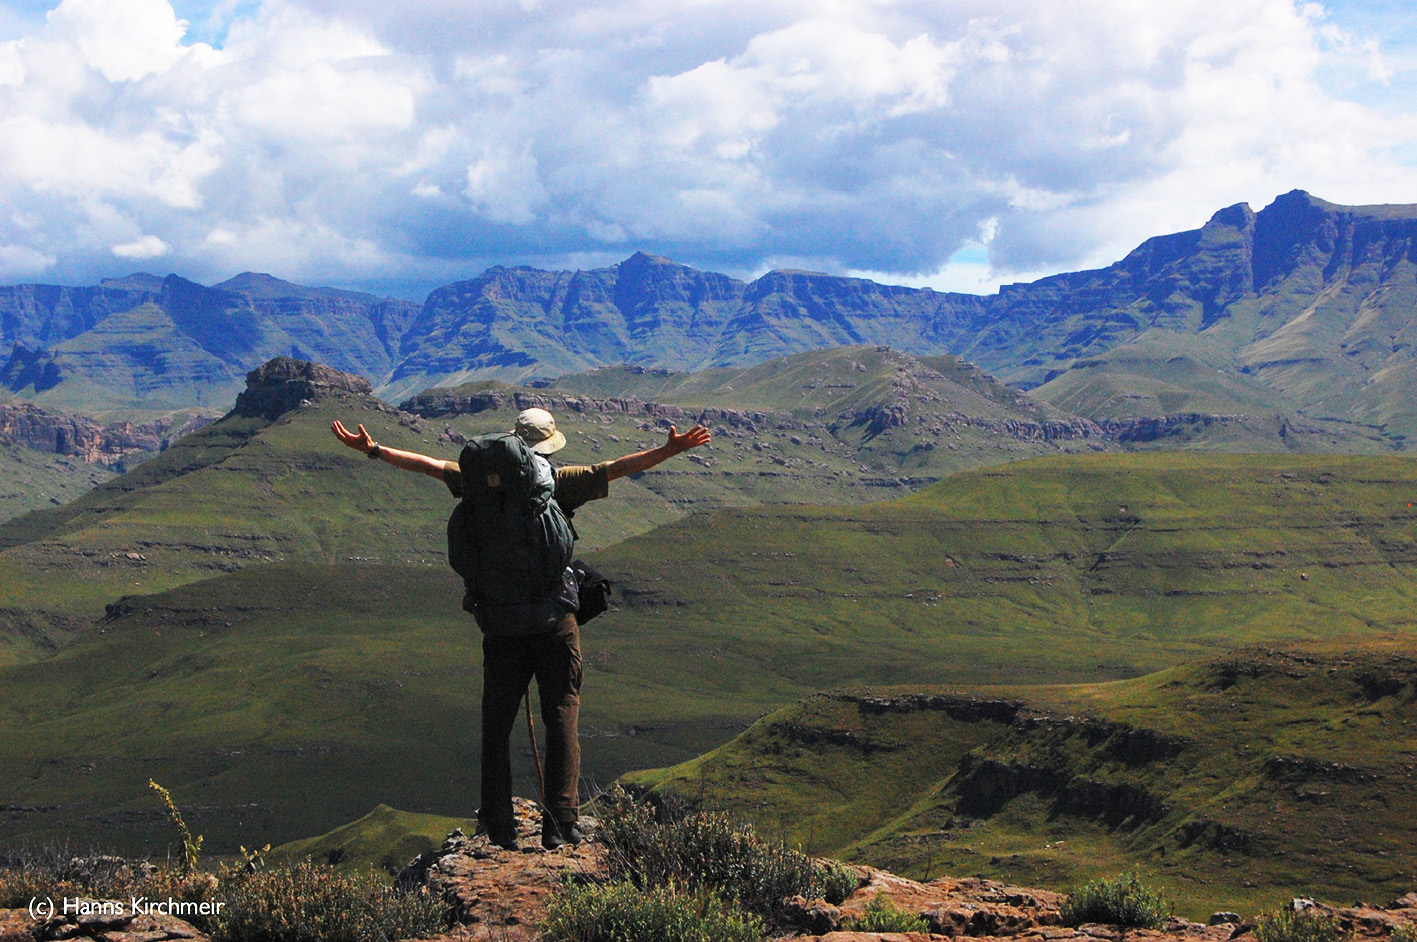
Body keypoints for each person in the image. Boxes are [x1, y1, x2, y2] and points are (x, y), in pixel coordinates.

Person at [331, 408, 711, 849]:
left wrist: (374, 449)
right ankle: (560, 824)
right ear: (547, 445)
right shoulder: (559, 483)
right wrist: (670, 449)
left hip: (500, 623)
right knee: (562, 715)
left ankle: (498, 823)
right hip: (555, 622)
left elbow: (427, 465)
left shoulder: (474, 482)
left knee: (496, 723)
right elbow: (619, 467)